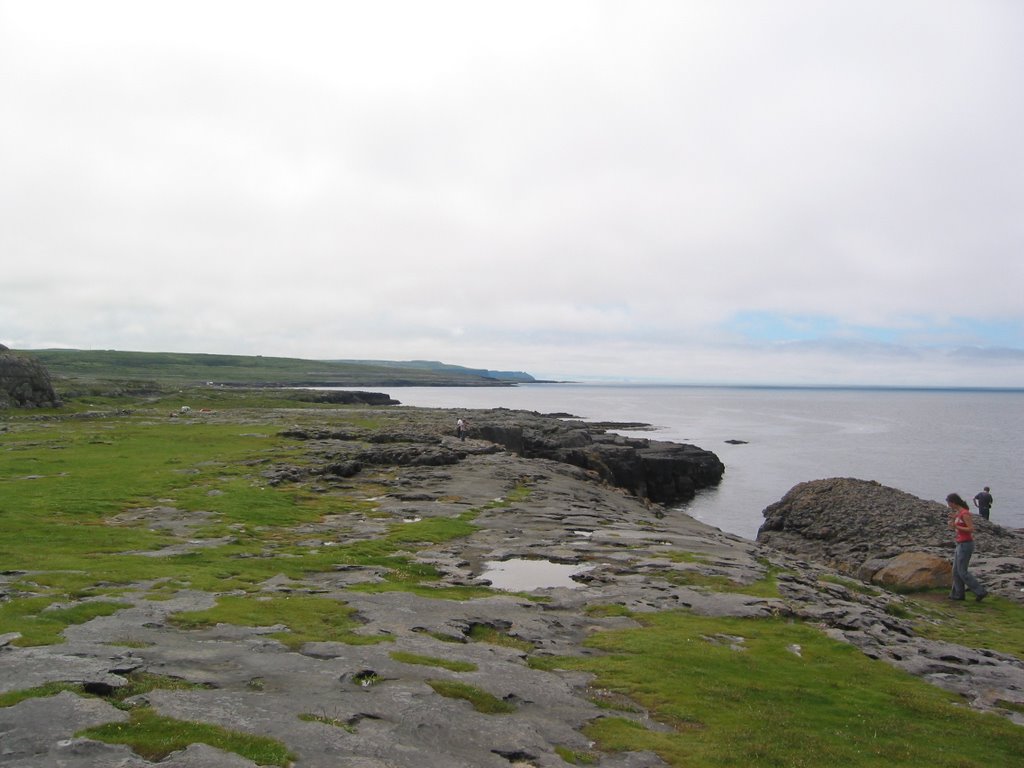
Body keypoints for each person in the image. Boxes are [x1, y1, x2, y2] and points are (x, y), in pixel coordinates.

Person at [946, 493, 988, 602]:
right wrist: (954, 521)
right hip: (960, 543)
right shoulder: (959, 513)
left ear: (953, 502)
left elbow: (970, 529)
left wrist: (956, 526)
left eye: (949, 503)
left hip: (966, 544)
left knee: (962, 571)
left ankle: (980, 591)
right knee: (955, 570)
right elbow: (958, 522)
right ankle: (958, 594)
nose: (949, 505)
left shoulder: (965, 513)